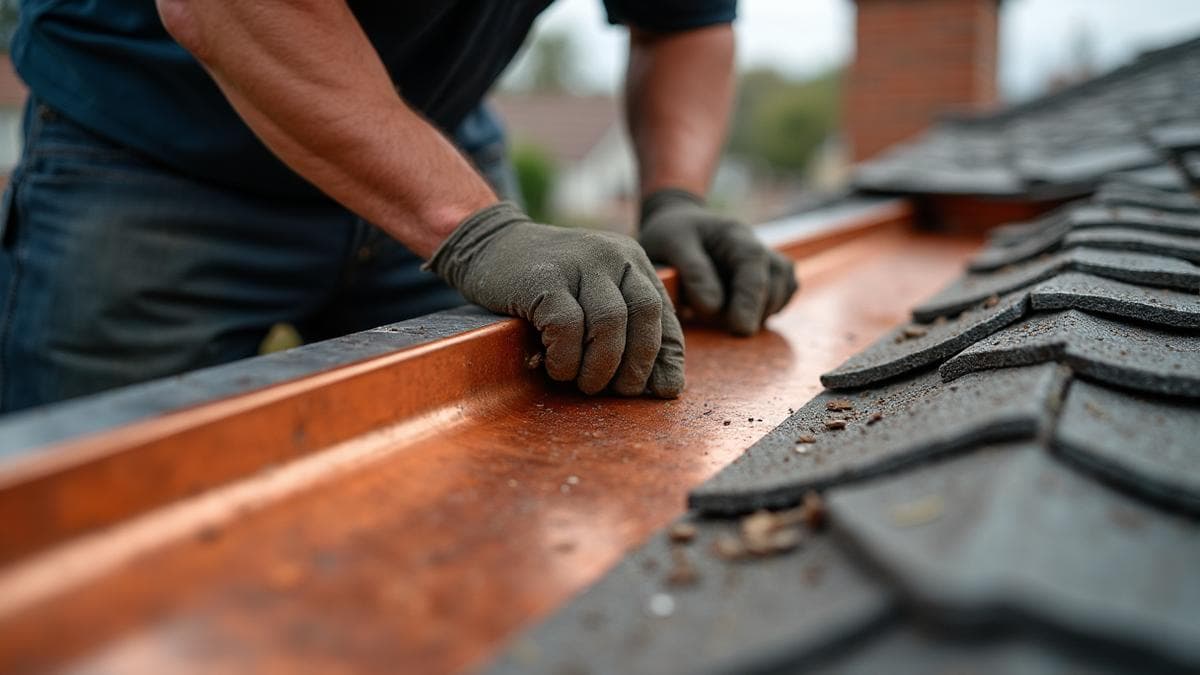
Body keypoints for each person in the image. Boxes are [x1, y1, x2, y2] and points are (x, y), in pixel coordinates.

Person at [0, 1, 796, 413]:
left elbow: (681, 25)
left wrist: (675, 195)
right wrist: (476, 232)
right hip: (152, 145)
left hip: (433, 136)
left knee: (505, 480)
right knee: (93, 533)